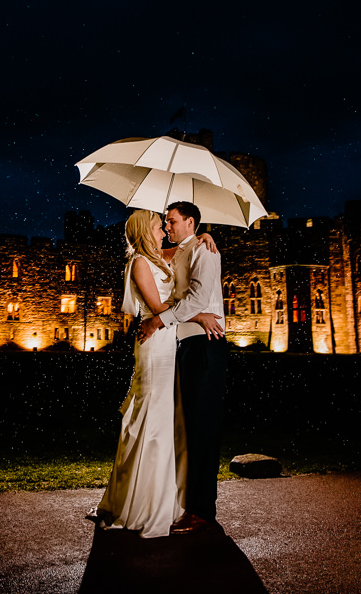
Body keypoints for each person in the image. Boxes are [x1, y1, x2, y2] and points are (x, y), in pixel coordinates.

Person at [91, 209, 187, 538]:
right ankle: (142, 505)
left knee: (164, 418)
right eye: (161, 228)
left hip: (166, 344)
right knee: (151, 417)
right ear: (147, 231)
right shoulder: (141, 263)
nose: (165, 233)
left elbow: (185, 248)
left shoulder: (158, 257)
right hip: (154, 345)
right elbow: (158, 308)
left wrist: (203, 236)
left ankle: (159, 498)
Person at [140, 200, 227, 534]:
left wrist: (158, 321)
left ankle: (203, 512)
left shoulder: (206, 252)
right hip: (187, 345)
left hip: (207, 345)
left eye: (172, 221)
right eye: (165, 221)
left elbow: (197, 298)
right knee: (188, 428)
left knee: (203, 430)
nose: (168, 226)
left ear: (189, 222)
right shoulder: (184, 251)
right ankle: (188, 504)